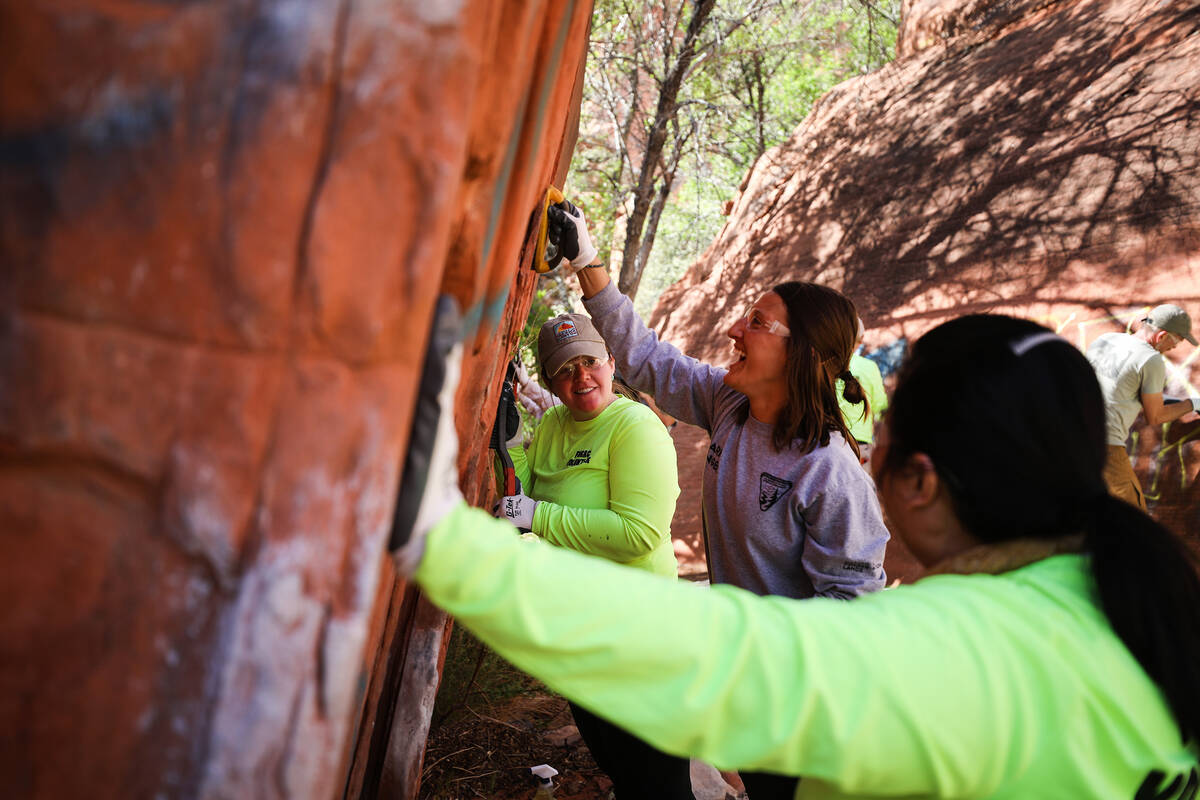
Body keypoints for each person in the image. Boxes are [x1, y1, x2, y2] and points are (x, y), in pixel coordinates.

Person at [399, 313, 1200, 799]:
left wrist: (442, 539)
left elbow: (723, 652)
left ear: (916, 481)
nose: (860, 449)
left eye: (878, 435)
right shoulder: (1138, 598)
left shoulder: (955, 649)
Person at [560, 213, 889, 798]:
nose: (737, 329)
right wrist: (588, 266)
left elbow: (854, 608)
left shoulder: (828, 471)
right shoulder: (730, 408)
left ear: (803, 354)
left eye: (758, 323)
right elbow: (645, 358)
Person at [492, 312, 692, 800]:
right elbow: (531, 488)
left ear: (610, 361)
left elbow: (638, 532)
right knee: (625, 774)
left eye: (589, 362)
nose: (582, 377)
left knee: (660, 787)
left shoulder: (635, 427)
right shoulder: (557, 424)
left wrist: (538, 516)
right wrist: (513, 442)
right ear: (551, 381)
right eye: (566, 369)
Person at [1085, 303, 1200, 509]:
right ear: (1162, 335)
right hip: (1105, 446)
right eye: (1177, 340)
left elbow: (1119, 387)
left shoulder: (1105, 340)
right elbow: (1155, 417)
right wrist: (1193, 403)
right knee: (1132, 518)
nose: (1174, 347)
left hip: (1067, 436)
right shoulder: (1151, 359)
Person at [836, 318, 889, 464]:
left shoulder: (823, 364)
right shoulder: (869, 367)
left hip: (828, 441)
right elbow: (880, 405)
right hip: (860, 445)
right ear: (860, 340)